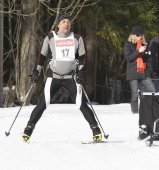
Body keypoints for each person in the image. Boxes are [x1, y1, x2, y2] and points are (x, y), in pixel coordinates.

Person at [22, 13, 102, 142]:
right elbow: (41, 57)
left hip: (71, 77)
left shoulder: (77, 38)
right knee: (43, 103)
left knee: (81, 104)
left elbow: (83, 58)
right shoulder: (50, 37)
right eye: (63, 21)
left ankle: (96, 131)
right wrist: (36, 72)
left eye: (68, 22)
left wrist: (81, 72)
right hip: (53, 76)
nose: (66, 24)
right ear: (58, 24)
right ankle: (28, 130)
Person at [124, 26, 155, 114]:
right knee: (134, 93)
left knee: (152, 90)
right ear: (133, 35)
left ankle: (149, 108)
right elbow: (128, 58)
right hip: (133, 72)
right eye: (137, 35)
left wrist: (147, 54)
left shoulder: (144, 44)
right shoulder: (128, 44)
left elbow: (146, 59)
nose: (139, 37)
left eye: (141, 35)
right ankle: (135, 112)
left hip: (144, 71)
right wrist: (139, 51)